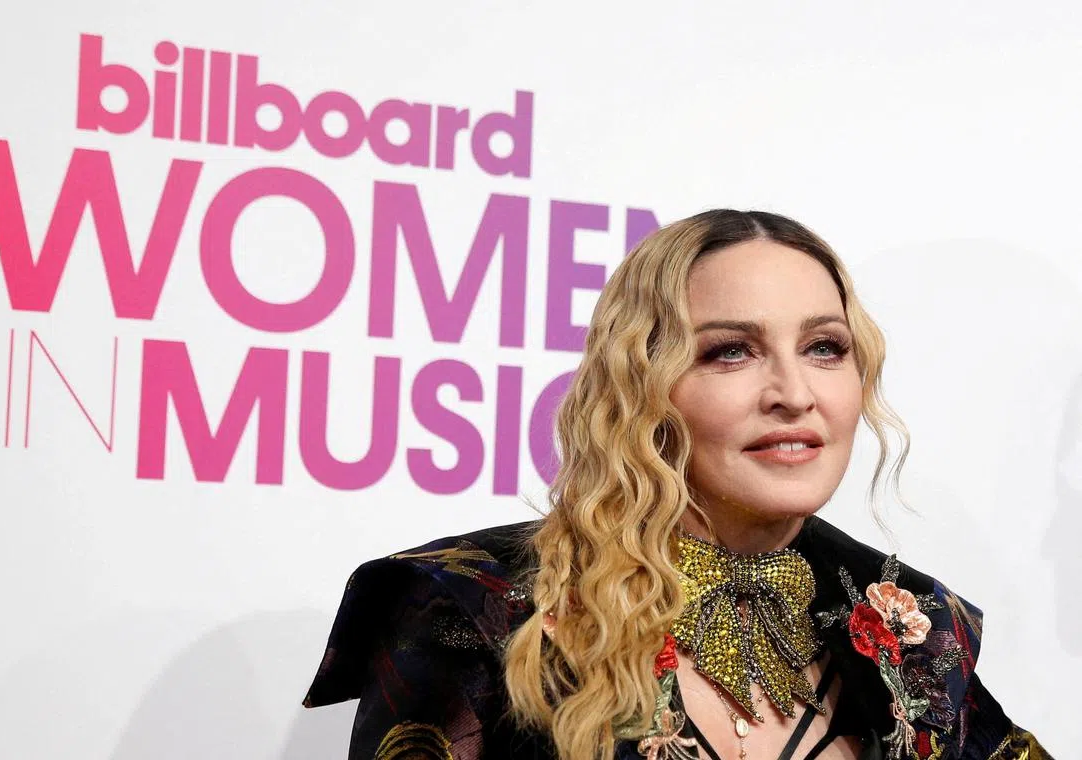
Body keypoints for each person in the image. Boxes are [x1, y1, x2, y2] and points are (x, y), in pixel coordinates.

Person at [302, 210, 1051, 760]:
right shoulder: (479, 607)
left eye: (825, 348)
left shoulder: (913, 627)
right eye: (731, 353)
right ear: (642, 388)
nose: (794, 392)